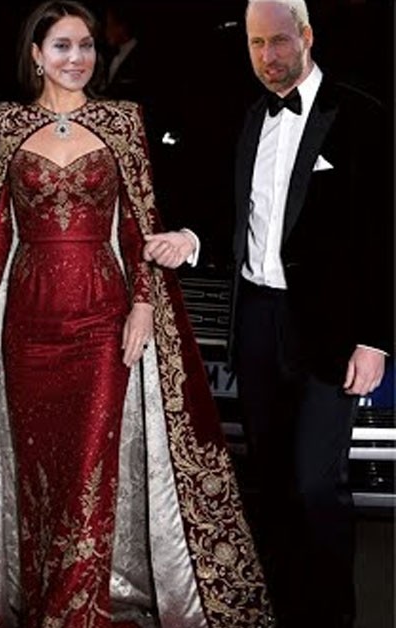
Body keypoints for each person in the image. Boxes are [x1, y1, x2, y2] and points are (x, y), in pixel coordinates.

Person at [0, 2, 271, 626]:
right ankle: (43, 592)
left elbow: (138, 223)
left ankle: (75, 612)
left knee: (89, 470)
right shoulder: (3, 123)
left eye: (86, 46)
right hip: (27, 321)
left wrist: (142, 304)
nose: (76, 58)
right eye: (62, 46)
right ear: (35, 54)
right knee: (37, 472)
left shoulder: (122, 121)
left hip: (102, 317)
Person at [144, 1, 393, 625]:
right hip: (256, 318)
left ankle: (332, 617)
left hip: (329, 327)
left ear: (306, 36)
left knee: (316, 485)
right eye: (256, 44)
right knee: (273, 484)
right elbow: (228, 207)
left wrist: (375, 337)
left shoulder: (363, 116)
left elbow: (384, 234)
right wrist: (190, 240)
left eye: (279, 41)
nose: (267, 56)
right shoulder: (247, 114)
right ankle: (281, 611)